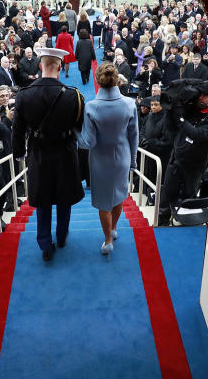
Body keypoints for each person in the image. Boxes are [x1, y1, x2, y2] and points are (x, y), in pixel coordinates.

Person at [12, 46, 86, 261]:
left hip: (39, 153)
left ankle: (45, 243)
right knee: (64, 198)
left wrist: (19, 154)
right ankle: (62, 236)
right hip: (65, 152)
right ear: (60, 66)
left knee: (43, 199)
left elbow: (17, 130)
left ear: (40, 66)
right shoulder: (74, 95)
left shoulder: (24, 95)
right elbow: (80, 127)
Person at [77, 62, 139, 255]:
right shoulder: (130, 103)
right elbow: (134, 135)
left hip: (100, 161)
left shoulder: (91, 106)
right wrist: (133, 161)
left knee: (104, 202)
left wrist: (75, 131)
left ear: (97, 80)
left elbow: (88, 142)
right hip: (122, 157)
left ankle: (107, 240)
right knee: (119, 196)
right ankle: (113, 229)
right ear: (117, 80)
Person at [157, 80, 208, 226]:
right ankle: (162, 223)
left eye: (205, 95)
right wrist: (175, 104)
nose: (200, 98)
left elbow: (197, 134)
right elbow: (170, 125)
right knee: (167, 196)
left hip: (194, 166)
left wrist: (181, 119)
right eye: (200, 94)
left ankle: (185, 225)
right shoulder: (191, 106)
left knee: (189, 198)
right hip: (176, 159)